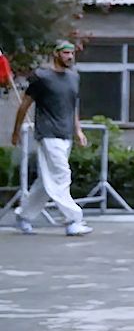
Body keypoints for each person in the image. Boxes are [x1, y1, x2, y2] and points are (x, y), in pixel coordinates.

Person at [10, 41, 92, 236]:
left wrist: (78, 131)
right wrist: (15, 131)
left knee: (46, 182)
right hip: (48, 134)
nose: (70, 57)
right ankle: (73, 220)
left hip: (66, 135)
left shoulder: (74, 78)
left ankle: (24, 216)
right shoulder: (41, 77)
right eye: (65, 53)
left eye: (72, 53)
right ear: (56, 54)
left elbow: (72, 107)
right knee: (62, 175)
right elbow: (24, 105)